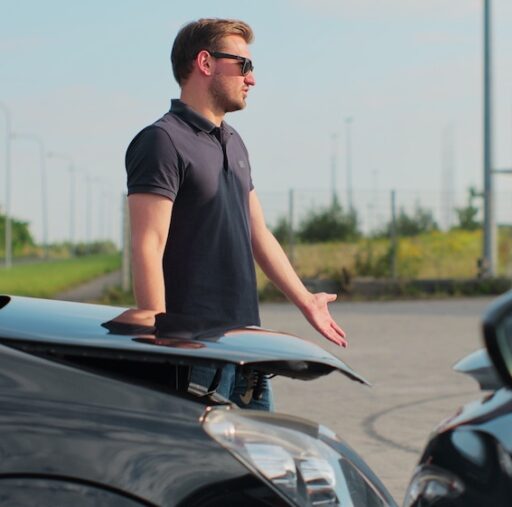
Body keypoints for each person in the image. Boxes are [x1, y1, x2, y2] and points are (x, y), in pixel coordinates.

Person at [125, 18, 347, 410]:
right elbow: (148, 243)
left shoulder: (234, 142)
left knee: (259, 469)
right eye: (243, 65)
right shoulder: (162, 141)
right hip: (194, 355)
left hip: (246, 350)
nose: (252, 79)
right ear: (206, 63)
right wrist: (159, 338)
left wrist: (305, 300)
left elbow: (257, 232)